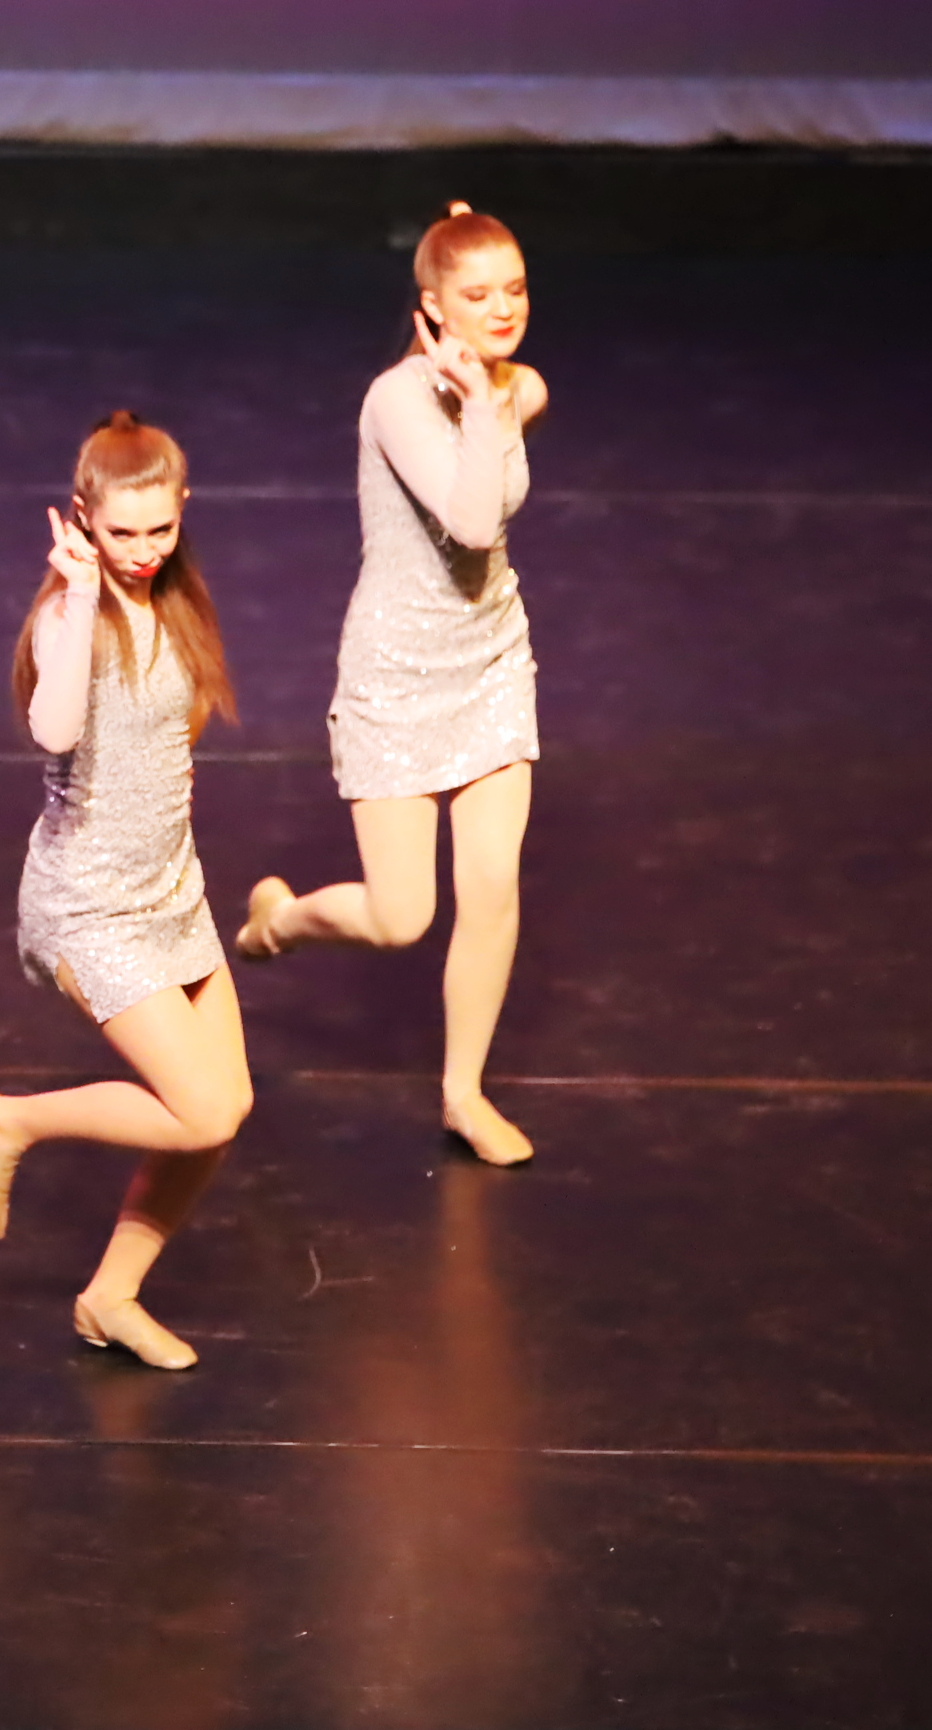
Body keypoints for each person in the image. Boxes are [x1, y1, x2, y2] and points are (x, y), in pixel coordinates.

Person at [236, 202, 546, 1167]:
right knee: (401, 917)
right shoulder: (397, 402)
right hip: (399, 678)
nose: (503, 310)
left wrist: (494, 388)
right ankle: (279, 921)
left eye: (514, 290)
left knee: (492, 886)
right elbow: (473, 522)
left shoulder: (515, 384)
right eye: (477, 295)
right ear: (432, 307)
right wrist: (484, 404)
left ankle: (463, 1094)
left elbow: (521, 400)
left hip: (492, 663)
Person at [0, 413, 251, 1370]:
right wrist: (82, 597)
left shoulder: (179, 603)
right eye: (122, 531)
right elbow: (53, 729)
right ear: (82, 517)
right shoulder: (68, 615)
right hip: (89, 906)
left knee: (222, 1113)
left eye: (160, 528)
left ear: (183, 509)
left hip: (173, 896)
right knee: (201, 1111)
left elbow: (169, 740)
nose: (142, 549)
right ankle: (5, 1120)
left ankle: (109, 1299)